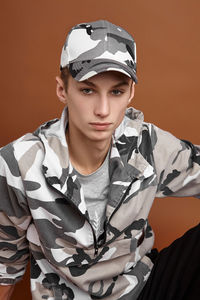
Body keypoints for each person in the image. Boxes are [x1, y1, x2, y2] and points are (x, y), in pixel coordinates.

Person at [0, 20, 199, 300]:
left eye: (116, 92)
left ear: (130, 93)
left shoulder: (148, 145)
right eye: (87, 90)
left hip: (142, 291)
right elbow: (4, 264)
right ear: (62, 89)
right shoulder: (19, 163)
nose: (103, 110)